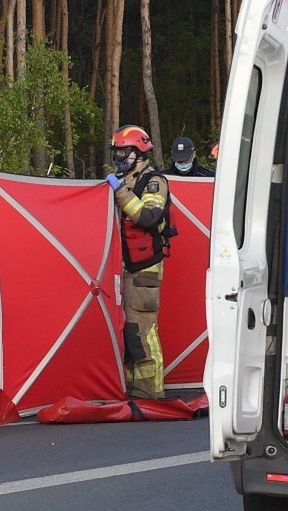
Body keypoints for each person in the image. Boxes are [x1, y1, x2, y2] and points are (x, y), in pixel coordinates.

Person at [106, 125, 176, 400]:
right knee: (129, 332)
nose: (119, 157)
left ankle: (151, 391)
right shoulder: (126, 180)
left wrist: (120, 192)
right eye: (117, 152)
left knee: (141, 330)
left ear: (139, 152)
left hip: (144, 268)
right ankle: (135, 388)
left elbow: (148, 217)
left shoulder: (153, 182)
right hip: (125, 267)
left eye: (124, 152)